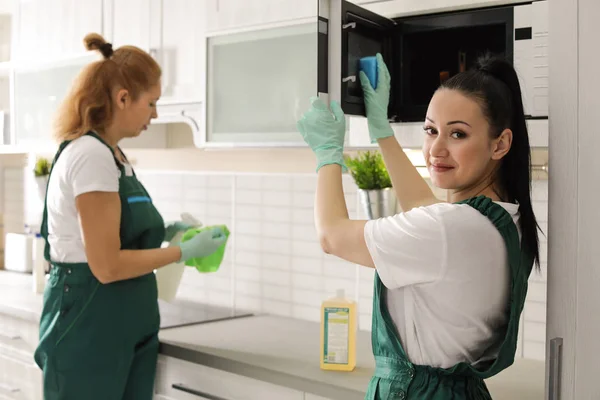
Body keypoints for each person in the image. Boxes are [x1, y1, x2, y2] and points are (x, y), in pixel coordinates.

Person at [296, 53, 540, 399]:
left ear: (500, 144)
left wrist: (327, 153)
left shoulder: (450, 228)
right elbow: (426, 210)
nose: (435, 149)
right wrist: (381, 130)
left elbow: (331, 236)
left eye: (457, 134)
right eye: (431, 130)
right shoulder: (504, 220)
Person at [33, 33, 227, 400]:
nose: (155, 114)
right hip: (90, 325)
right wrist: (183, 252)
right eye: (151, 102)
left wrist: (168, 230)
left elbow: (115, 233)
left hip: (125, 324)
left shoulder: (113, 156)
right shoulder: (90, 156)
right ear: (123, 98)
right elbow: (106, 265)